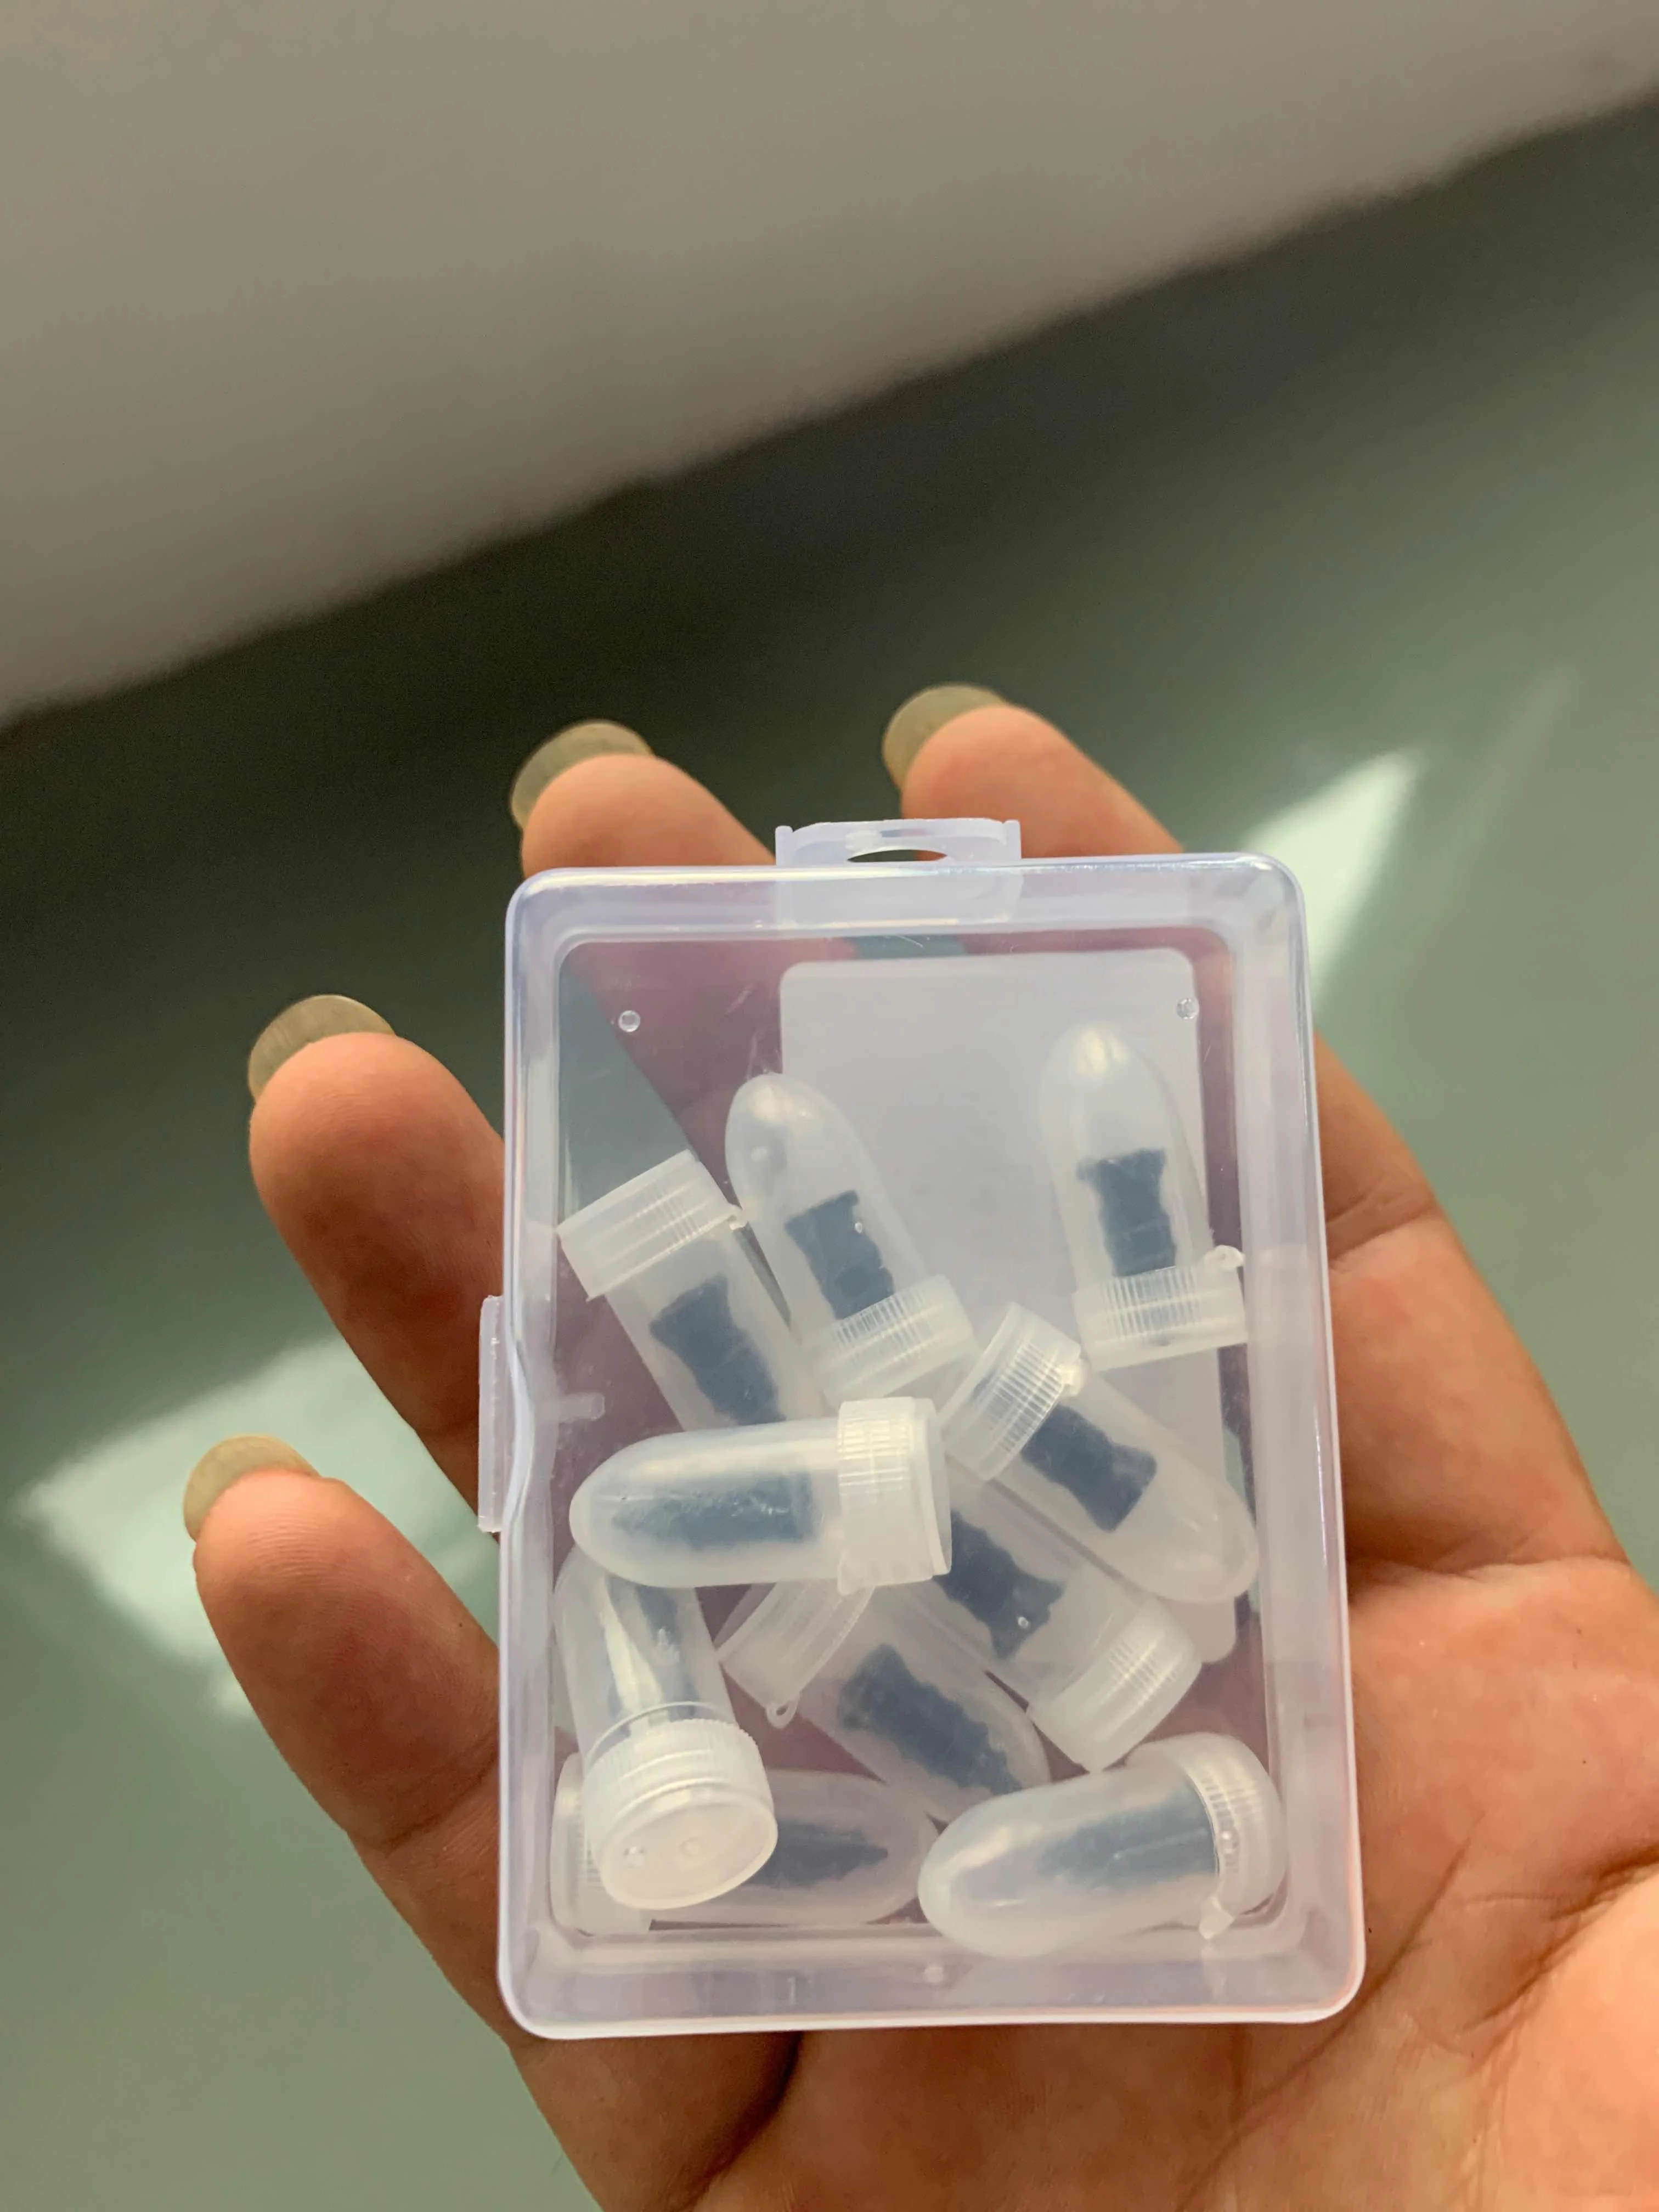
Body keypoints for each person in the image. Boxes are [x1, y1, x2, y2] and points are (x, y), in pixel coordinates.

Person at [186, 698, 1659, 2209]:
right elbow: (683, 1542)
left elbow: (712, 1547)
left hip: (975, 1543)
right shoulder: (793, 1511)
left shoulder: (882, 1525)